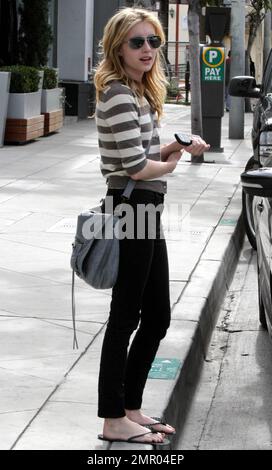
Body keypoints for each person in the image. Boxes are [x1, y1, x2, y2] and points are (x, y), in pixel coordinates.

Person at [94, 7, 210, 445]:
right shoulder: (119, 93)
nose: (147, 50)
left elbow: (145, 155)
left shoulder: (138, 92)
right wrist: (175, 161)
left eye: (153, 41)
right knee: (125, 315)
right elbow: (137, 167)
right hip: (131, 209)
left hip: (145, 207)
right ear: (117, 47)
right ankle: (112, 418)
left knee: (156, 315)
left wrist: (176, 146)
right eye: (136, 42)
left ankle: (130, 407)